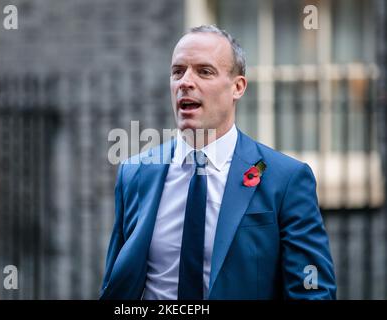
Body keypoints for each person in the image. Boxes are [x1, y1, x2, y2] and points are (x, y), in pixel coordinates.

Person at [100, 25, 336, 300]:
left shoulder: (286, 179)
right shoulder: (135, 173)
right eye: (178, 71)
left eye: (204, 71)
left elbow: (312, 291)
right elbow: (115, 284)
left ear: (237, 87)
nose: (185, 82)